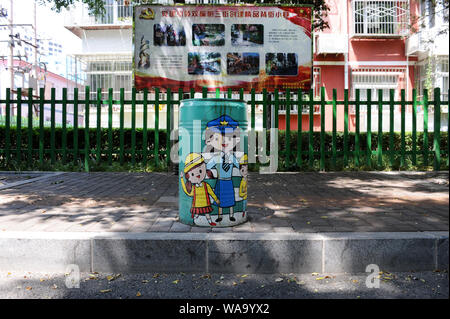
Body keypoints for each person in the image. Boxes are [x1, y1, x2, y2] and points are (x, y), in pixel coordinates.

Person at [204, 115, 241, 223]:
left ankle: (231, 215)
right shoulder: (216, 158)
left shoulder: (232, 157)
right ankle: (220, 216)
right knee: (219, 199)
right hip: (220, 181)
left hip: (228, 181)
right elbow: (208, 166)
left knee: (230, 199)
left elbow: (238, 166)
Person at [180, 153, 219, 227]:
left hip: (205, 204)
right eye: (192, 174)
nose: (198, 174)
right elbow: (187, 192)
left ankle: (210, 222)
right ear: (188, 177)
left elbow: (211, 192)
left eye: (201, 171)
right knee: (197, 213)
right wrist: (182, 179)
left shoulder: (205, 185)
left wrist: (216, 199)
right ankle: (195, 217)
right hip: (197, 205)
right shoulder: (194, 188)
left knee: (207, 214)